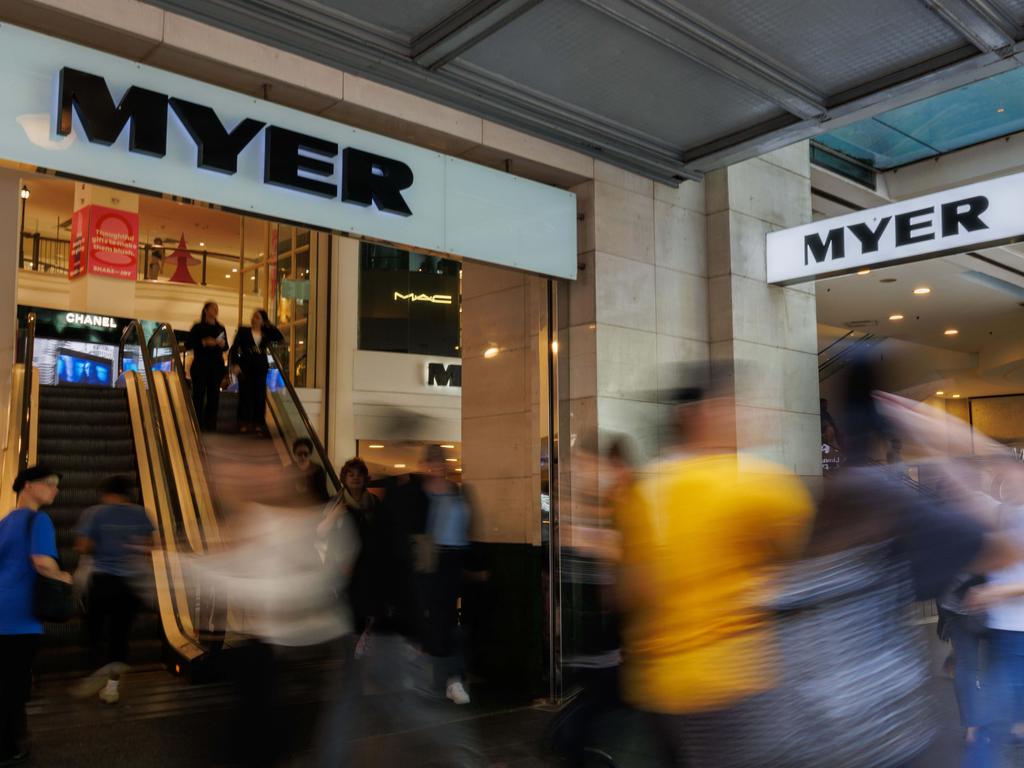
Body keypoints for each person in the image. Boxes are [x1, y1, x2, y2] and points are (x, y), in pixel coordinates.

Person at [616, 378, 816, 767]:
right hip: (736, 679)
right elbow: (804, 572)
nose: (754, 417)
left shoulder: (645, 488)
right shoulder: (761, 484)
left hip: (661, 682)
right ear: (703, 415)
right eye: (739, 406)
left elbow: (631, 589)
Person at [0, 466, 68, 765]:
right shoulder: (39, 520)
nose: (55, 490)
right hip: (20, 617)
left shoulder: (5, 522)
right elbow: (42, 563)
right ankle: (8, 748)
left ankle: (15, 739)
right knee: (13, 685)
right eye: (49, 483)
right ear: (27, 486)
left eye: (57, 485)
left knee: (5, 681)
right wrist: (66, 577)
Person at [72, 475, 155, 705]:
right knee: (121, 634)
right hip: (131, 585)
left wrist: (103, 543)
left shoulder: (94, 513)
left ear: (106, 493)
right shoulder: (141, 513)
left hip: (102, 581)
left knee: (94, 629)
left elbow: (82, 546)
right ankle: (112, 688)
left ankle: (96, 667)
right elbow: (149, 546)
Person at [318, 457, 379, 632]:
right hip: (342, 569)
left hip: (368, 569)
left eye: (360, 474)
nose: (355, 478)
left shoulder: (373, 503)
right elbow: (320, 532)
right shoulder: (336, 503)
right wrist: (333, 517)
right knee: (345, 616)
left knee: (364, 616)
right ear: (344, 478)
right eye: (350, 474)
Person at [229, 309, 283, 434]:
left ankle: (258, 423)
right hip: (245, 367)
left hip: (260, 368)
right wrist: (235, 364)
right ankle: (243, 422)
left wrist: (269, 325)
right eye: (253, 316)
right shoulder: (243, 331)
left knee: (260, 395)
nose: (254, 319)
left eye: (258, 317)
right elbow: (235, 348)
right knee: (245, 395)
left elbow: (279, 337)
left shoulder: (266, 333)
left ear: (262, 321)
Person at [186, 301, 228, 432]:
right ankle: (196, 423)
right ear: (206, 310)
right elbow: (188, 344)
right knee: (198, 395)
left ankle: (211, 425)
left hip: (216, 367)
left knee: (214, 396)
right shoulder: (197, 327)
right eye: (213, 308)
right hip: (201, 365)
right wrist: (204, 342)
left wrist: (221, 344)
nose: (216, 310)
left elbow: (226, 346)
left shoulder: (220, 328)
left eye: (217, 308)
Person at [294, 438, 330, 503]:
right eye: (299, 453)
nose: (303, 457)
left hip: (313, 508)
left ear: (310, 454)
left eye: (305, 454)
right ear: (295, 454)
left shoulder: (318, 470)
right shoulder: (288, 471)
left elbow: (323, 494)